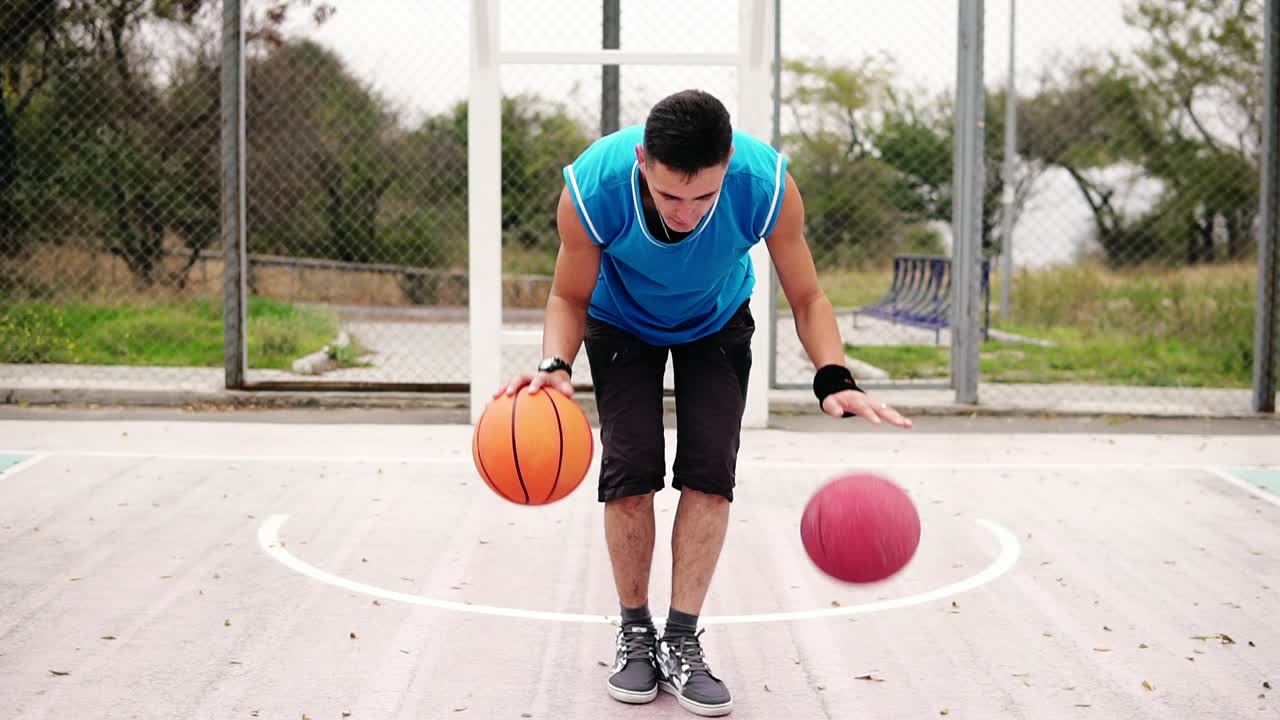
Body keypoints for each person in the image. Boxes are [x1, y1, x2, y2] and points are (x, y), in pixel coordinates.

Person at [496, 89, 913, 717]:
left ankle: (682, 640)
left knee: (710, 478)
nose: (687, 212)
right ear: (642, 161)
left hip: (716, 323)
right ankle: (635, 633)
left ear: (727, 167)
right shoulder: (595, 184)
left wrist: (834, 376)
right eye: (670, 196)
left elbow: (807, 296)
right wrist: (556, 365)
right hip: (619, 323)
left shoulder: (763, 182)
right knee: (630, 476)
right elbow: (568, 296)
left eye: (704, 197)